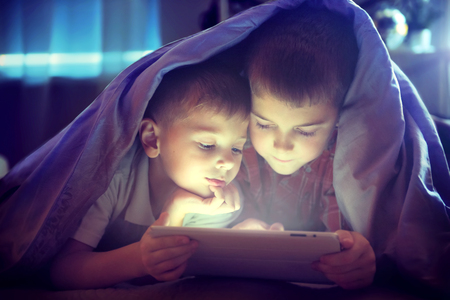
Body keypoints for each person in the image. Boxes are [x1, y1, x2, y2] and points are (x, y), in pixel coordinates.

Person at [49, 58, 251, 289]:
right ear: (152, 139)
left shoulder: (220, 203)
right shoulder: (112, 179)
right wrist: (139, 258)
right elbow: (63, 272)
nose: (227, 162)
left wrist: (176, 209)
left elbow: (172, 274)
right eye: (207, 145)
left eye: (237, 148)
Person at [231, 4, 371, 290]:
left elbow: (343, 238)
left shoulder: (341, 161)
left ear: (338, 119)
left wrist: (357, 257)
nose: (281, 146)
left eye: (305, 131)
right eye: (264, 124)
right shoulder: (237, 147)